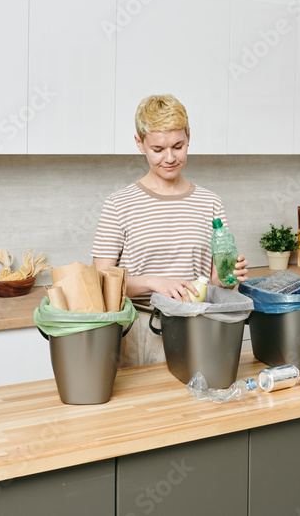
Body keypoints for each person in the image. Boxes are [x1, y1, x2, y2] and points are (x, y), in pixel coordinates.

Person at [92, 94, 248, 367]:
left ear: (189, 136)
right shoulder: (119, 204)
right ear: (139, 143)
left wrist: (229, 277)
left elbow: (216, 281)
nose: (170, 158)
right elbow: (100, 281)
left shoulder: (210, 202)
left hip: (200, 327)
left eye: (178, 146)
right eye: (158, 149)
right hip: (141, 329)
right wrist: (155, 283)